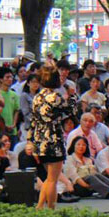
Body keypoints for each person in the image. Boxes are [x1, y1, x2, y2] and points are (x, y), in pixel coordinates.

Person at [27, 65, 74, 209]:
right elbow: (71, 109)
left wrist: (30, 140)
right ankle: (50, 208)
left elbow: (33, 121)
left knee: (49, 178)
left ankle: (40, 206)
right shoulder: (55, 97)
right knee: (53, 179)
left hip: (39, 138)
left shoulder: (37, 97)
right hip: (53, 139)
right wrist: (72, 96)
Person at [20, 74, 40, 140]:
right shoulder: (24, 95)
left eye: (37, 82)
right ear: (28, 83)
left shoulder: (40, 95)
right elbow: (26, 113)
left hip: (41, 126)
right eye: (33, 82)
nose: (35, 84)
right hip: (30, 126)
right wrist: (36, 121)